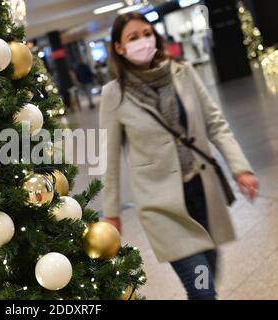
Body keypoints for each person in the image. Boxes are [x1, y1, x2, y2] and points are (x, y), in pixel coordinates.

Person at [100, 13, 259, 300]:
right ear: (119, 48)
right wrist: (111, 213)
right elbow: (108, 159)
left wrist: (240, 168)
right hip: (161, 206)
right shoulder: (114, 94)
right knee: (202, 290)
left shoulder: (182, 72)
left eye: (147, 33)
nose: (143, 41)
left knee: (207, 274)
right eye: (133, 37)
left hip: (201, 192)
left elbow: (215, 124)